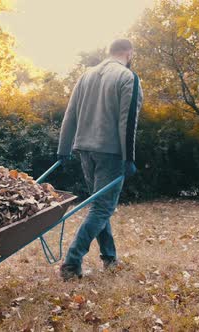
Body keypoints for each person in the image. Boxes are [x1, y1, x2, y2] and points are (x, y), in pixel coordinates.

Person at [57, 38, 143, 281]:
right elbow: (127, 122)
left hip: (84, 149)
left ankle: (110, 257)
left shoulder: (86, 75)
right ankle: (72, 263)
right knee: (102, 207)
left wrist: (63, 149)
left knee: (100, 206)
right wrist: (129, 158)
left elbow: (70, 114)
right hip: (111, 153)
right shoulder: (128, 77)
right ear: (129, 53)